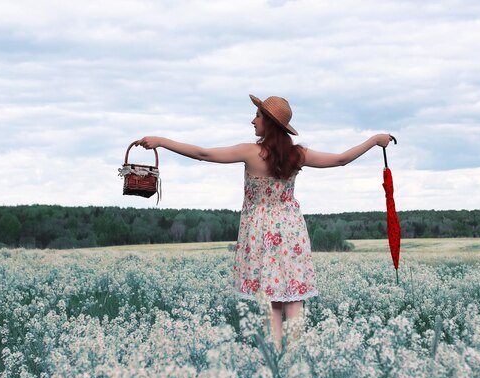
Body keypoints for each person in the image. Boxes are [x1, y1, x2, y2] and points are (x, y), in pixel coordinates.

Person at [135, 94, 392, 350]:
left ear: (268, 123)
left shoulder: (250, 152)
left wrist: (162, 142)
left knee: (271, 297)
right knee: (293, 294)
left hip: (259, 230)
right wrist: (373, 141)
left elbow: (203, 153)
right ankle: (294, 359)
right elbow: (340, 160)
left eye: (257, 116)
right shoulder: (298, 154)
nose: (252, 121)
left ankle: (276, 360)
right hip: (291, 229)